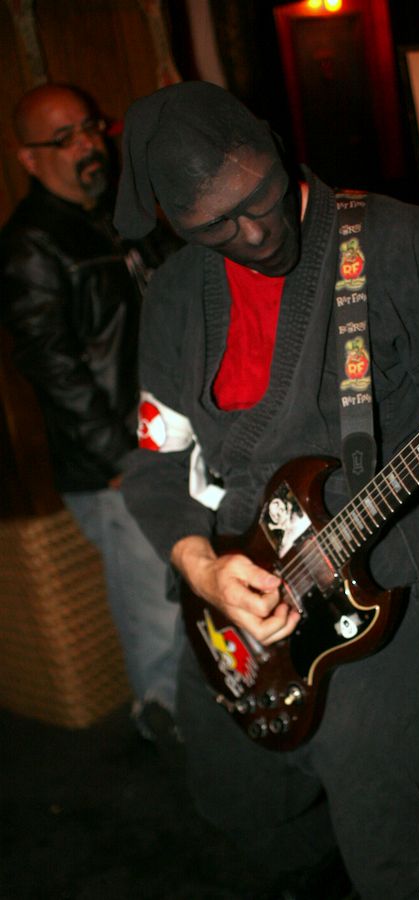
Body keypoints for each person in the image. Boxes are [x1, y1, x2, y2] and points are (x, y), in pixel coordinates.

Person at [113, 82, 419, 898]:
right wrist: (203, 569)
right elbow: (156, 463)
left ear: (276, 146)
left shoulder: (394, 240)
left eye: (265, 195)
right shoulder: (172, 295)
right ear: (175, 224)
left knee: (398, 851)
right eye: (218, 226)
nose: (259, 231)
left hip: (374, 571)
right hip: (234, 576)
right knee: (239, 802)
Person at [0, 84, 184, 743]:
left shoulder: (118, 214)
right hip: (117, 461)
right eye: (65, 138)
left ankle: (210, 722)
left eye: (90, 128)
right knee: (154, 607)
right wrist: (118, 459)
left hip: (169, 436)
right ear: (28, 158)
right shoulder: (30, 244)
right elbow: (53, 367)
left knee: (191, 585)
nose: (87, 145)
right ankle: (163, 719)